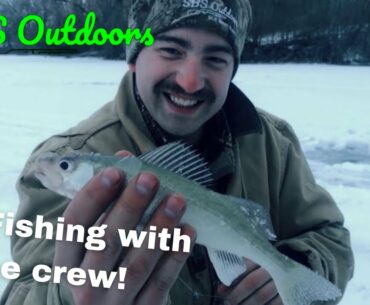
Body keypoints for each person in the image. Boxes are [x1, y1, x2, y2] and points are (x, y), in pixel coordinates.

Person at [1, 0, 354, 305]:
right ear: (134, 58)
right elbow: (24, 288)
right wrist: (67, 297)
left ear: (233, 69)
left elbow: (329, 236)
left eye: (215, 59)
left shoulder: (273, 143)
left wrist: (297, 265)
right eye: (170, 50)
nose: (190, 81)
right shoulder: (72, 154)